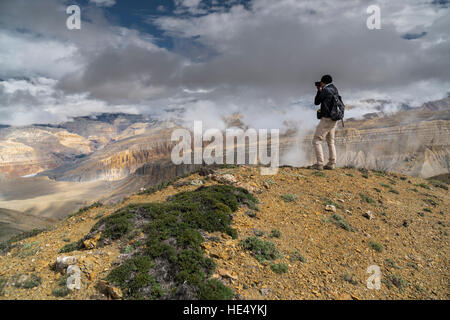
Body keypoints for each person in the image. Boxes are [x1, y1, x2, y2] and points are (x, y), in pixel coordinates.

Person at [309, 74, 339, 170]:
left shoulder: (325, 90)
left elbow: (317, 102)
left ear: (323, 82)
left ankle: (319, 164)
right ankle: (332, 163)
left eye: (321, 82)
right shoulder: (334, 89)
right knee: (331, 141)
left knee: (316, 140)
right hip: (334, 118)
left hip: (326, 119)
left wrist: (319, 91)